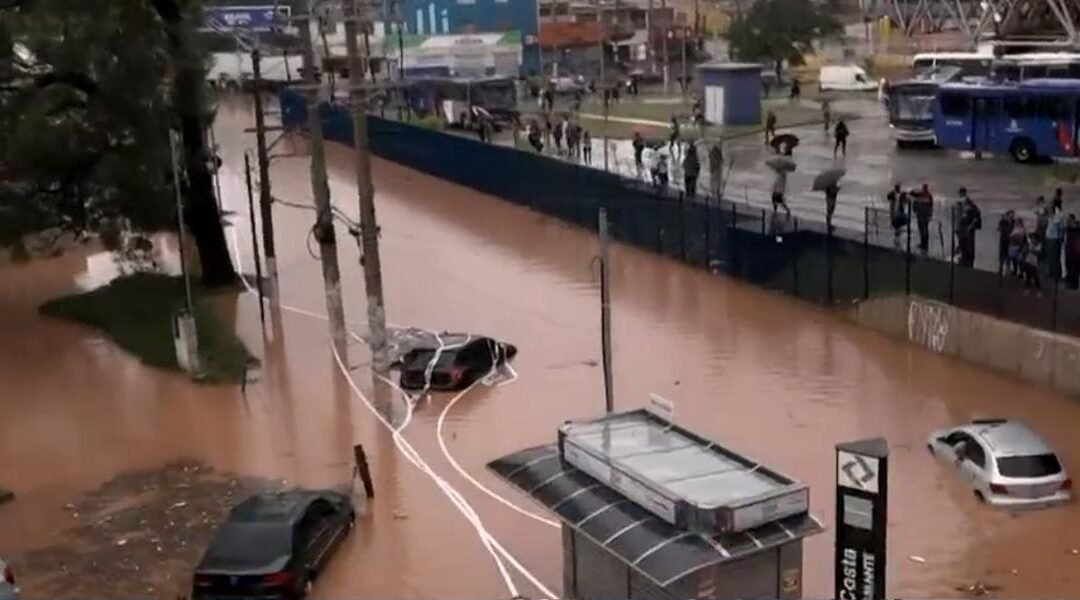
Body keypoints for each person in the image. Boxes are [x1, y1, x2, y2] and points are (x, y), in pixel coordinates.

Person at [955, 188, 982, 268]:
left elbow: (976, 215)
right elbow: (958, 216)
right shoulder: (959, 203)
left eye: (961, 193)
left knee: (968, 245)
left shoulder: (970, 204)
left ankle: (968, 261)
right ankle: (964, 259)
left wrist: (970, 226)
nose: (961, 195)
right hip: (961, 227)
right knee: (963, 243)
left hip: (967, 228)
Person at [912, 183, 934, 253]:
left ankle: (924, 243)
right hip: (921, 214)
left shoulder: (927, 196)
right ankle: (923, 243)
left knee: (924, 229)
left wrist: (930, 214)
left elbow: (930, 206)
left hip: (923, 215)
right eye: (923, 188)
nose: (924, 189)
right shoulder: (925, 195)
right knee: (922, 229)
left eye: (924, 188)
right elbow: (915, 202)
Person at [1045, 202, 1065, 281]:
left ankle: (1057, 275)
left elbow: (1061, 229)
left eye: (1048, 210)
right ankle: (1051, 272)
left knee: (1055, 258)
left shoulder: (1057, 219)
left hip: (1055, 240)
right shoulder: (1050, 218)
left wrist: (1060, 239)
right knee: (1050, 257)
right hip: (1049, 239)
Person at [1065, 214, 1080, 290]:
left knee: (1074, 269)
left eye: (1069, 220)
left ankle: (1074, 285)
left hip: (1075, 252)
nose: (1068, 221)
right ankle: (1070, 281)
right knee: (1070, 266)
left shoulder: (1076, 228)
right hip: (1070, 251)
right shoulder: (1070, 228)